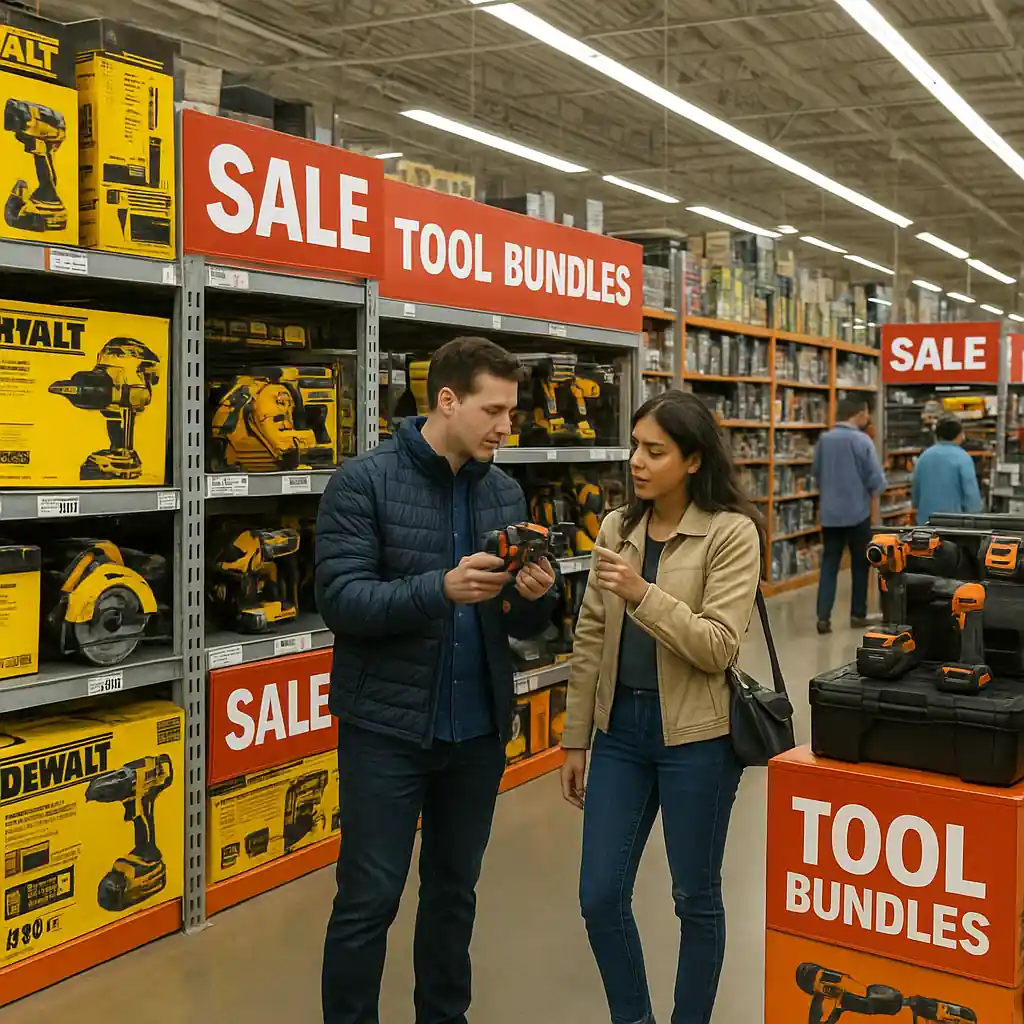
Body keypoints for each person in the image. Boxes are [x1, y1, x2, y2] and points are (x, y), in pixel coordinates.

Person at [315, 336, 557, 1024]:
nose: (506, 426)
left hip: (476, 729)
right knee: (369, 898)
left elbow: (520, 623)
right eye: (494, 410)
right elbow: (344, 601)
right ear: (447, 400)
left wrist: (535, 594)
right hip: (387, 730)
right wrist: (438, 589)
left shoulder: (503, 489)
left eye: (511, 411)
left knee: (455, 893)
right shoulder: (363, 481)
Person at [560, 391, 763, 1024]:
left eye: (655, 451)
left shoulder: (731, 533)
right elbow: (591, 633)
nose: (637, 462)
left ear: (694, 460)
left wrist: (644, 593)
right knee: (599, 896)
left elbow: (718, 646)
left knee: (694, 897)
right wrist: (575, 739)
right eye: (635, 448)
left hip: (698, 739)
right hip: (620, 731)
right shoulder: (618, 527)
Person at [813, 397, 886, 635]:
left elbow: (816, 472)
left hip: (830, 514)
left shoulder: (824, 440)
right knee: (860, 564)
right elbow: (876, 480)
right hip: (857, 513)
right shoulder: (861, 440)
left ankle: (823, 617)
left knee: (829, 563)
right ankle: (858, 614)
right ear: (860, 413)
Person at [912, 416, 983, 525]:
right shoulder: (963, 457)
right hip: (953, 524)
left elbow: (916, 491)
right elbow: (971, 494)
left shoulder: (924, 457)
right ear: (960, 435)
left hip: (926, 522)